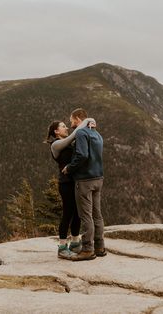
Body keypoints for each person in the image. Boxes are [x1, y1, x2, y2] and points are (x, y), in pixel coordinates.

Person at [46, 117, 95, 259]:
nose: (67, 128)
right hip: (65, 183)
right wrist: (86, 121)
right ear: (56, 131)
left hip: (76, 181)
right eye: (63, 126)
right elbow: (73, 136)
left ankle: (74, 242)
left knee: (78, 213)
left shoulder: (69, 143)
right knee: (67, 213)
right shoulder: (55, 145)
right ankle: (62, 247)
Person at [62, 108, 106, 261]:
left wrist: (69, 168)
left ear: (78, 118)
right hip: (98, 177)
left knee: (85, 215)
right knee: (97, 215)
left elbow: (82, 155)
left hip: (85, 179)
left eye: (72, 120)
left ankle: (87, 249)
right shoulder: (97, 133)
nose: (71, 123)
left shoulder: (81, 133)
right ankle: (100, 247)